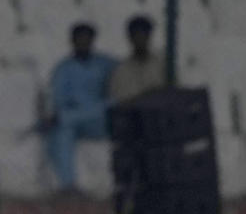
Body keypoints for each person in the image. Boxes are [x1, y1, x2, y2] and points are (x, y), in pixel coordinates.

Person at [43, 22, 117, 192]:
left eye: (87, 39)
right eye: (79, 39)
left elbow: (120, 87)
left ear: (93, 41)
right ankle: (68, 185)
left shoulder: (106, 64)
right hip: (78, 123)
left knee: (108, 106)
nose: (83, 43)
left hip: (102, 121)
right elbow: (59, 102)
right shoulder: (63, 69)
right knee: (60, 133)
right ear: (72, 41)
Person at [109, 14, 166, 104]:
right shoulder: (121, 70)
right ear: (130, 38)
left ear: (149, 36)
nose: (140, 39)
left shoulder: (162, 64)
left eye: (143, 35)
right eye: (136, 35)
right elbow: (119, 99)